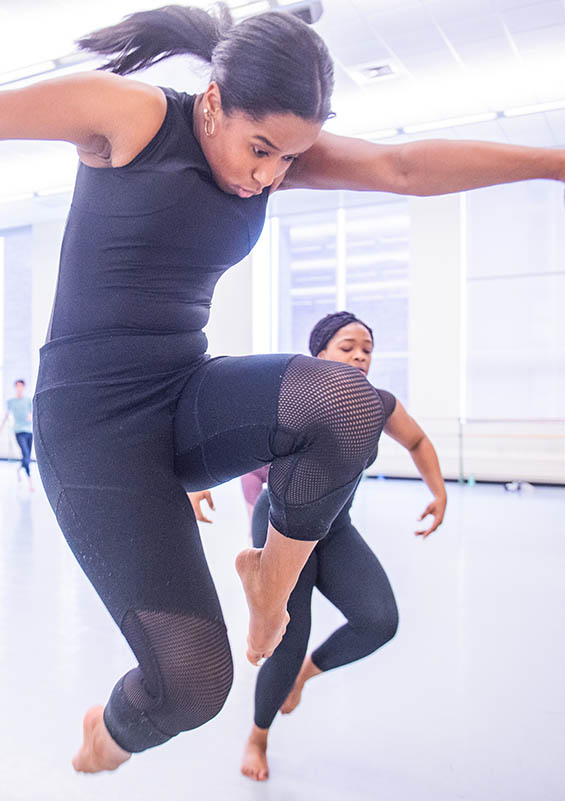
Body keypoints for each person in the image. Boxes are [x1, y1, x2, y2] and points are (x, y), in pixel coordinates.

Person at [0, 4, 565, 772]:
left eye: (290, 160)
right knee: (193, 686)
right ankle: (113, 729)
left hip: (182, 390)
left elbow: (405, 167)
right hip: (89, 426)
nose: (270, 178)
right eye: (260, 149)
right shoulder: (134, 119)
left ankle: (272, 581)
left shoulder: (272, 156)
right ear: (211, 102)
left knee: (348, 403)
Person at [188, 312, 446, 782]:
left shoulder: (378, 404)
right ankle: (259, 734)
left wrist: (439, 491)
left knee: (379, 620)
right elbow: (229, 433)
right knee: (287, 640)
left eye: (367, 348)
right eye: (347, 347)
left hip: (335, 527)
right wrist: (195, 480)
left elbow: (418, 439)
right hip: (282, 524)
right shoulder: (300, 397)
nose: (360, 356)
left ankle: (306, 673)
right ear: (319, 354)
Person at [0, 378, 34, 490]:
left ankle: (19, 469)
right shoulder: (11, 402)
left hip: (29, 431)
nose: (19, 388)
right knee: (25, 454)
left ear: (23, 387)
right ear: (15, 387)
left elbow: (32, 413)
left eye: (21, 386)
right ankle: (30, 481)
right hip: (18, 431)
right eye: (17, 386)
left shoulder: (27, 400)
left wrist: (30, 416)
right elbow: (6, 416)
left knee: (27, 456)